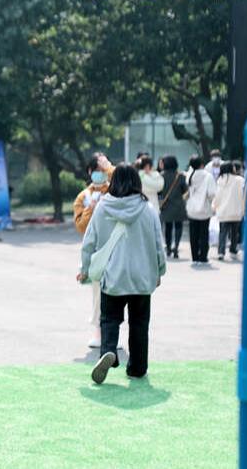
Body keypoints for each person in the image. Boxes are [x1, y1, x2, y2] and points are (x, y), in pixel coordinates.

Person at [78, 164, 166, 384]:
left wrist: (85, 269)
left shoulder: (102, 208)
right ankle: (137, 367)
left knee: (109, 319)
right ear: (137, 182)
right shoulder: (148, 210)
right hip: (142, 277)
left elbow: (89, 242)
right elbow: (158, 244)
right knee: (139, 323)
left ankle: (109, 350)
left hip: (113, 276)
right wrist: (159, 270)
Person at [73, 153, 114, 349]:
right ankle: (98, 332)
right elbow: (81, 227)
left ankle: (112, 333)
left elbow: (127, 184)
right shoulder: (83, 196)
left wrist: (109, 167)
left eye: (103, 170)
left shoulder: (114, 191)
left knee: (115, 293)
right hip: (96, 252)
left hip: (115, 249)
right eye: (97, 170)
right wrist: (91, 208)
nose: (101, 173)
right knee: (98, 293)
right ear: (90, 172)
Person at [186, 155, 216, 265]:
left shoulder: (189, 175)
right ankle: (203, 257)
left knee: (193, 234)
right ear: (202, 164)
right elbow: (212, 193)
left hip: (192, 209)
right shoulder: (208, 176)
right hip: (204, 209)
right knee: (204, 234)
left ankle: (194, 258)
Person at [212, 161, 245, 260]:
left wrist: (214, 206)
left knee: (223, 233)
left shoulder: (220, 180)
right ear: (231, 168)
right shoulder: (240, 180)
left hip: (223, 211)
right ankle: (233, 250)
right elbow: (244, 195)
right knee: (235, 233)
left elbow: (218, 196)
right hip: (236, 211)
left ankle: (221, 252)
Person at [158, 155, 188, 259]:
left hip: (166, 205)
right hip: (178, 205)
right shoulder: (180, 176)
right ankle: (176, 247)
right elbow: (185, 190)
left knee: (168, 228)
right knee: (179, 226)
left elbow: (159, 191)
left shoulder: (161, 176)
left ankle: (168, 248)